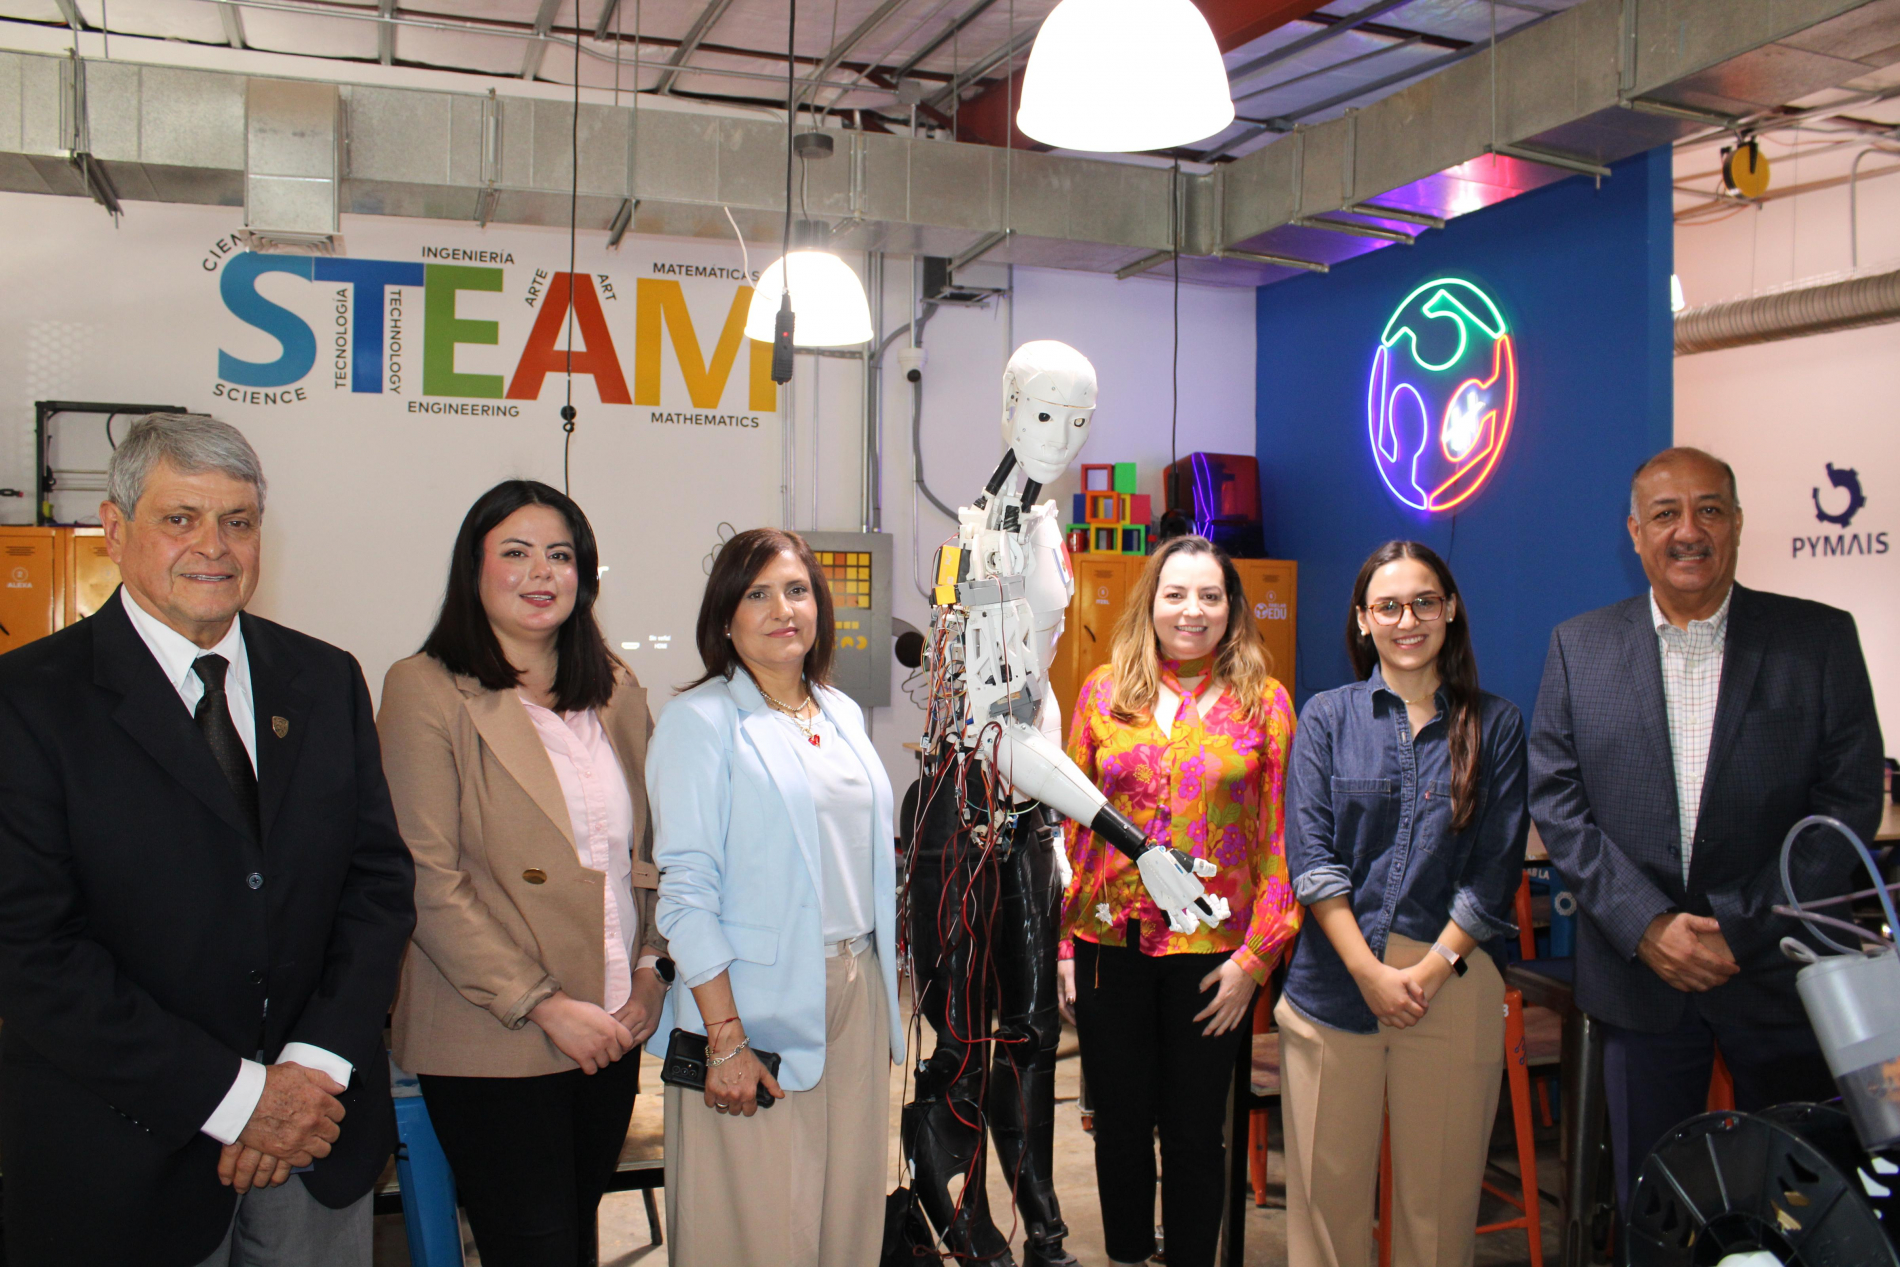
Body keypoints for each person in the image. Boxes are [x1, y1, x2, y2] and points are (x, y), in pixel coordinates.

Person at [0, 414, 416, 1267]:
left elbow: (376, 885)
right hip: (126, 1159)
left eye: (238, 520)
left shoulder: (326, 678)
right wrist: (241, 1099)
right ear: (114, 529)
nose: (214, 546)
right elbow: (31, 949)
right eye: (180, 518)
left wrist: (307, 1071)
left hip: (317, 1137)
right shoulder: (28, 700)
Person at [1529, 446, 1884, 1209]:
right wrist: (1648, 925)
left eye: (1710, 510)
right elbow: (1557, 802)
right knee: (1658, 1208)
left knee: (1805, 1208)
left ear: (1738, 524)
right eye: (1666, 513)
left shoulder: (1818, 640)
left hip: (1782, 974)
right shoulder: (1578, 647)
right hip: (1640, 981)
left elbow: (1847, 802)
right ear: (1635, 533)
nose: (1688, 530)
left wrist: (1741, 928)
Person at [377, 480, 669, 1265]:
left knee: (575, 1238)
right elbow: (427, 877)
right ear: (474, 569)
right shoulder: (424, 687)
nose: (542, 571)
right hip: (494, 1031)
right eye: (516, 551)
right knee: (533, 1246)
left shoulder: (613, 689)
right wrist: (544, 1004)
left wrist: (653, 969)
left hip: (612, 1025)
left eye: (561, 555)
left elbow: (653, 848)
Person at [645, 527, 903, 1267]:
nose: (782, 609)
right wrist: (724, 1035)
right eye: (757, 594)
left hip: (856, 984)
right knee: (757, 1224)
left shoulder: (839, 713)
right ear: (725, 617)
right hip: (750, 1002)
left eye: (796, 591)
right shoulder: (699, 723)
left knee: (848, 1210)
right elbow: (685, 893)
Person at [1279, 540, 1528, 1267]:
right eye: (1388, 606)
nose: (1407, 620)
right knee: (1326, 1216)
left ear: (1449, 611)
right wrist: (1367, 971)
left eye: (1424, 602)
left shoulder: (1496, 724)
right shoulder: (1326, 717)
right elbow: (1312, 858)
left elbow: (1495, 870)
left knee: (1438, 1215)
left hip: (1450, 979)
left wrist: (1429, 968)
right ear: (1363, 619)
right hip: (1335, 982)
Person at [1055, 535, 1302, 1267]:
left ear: (1232, 608)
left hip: (1214, 959)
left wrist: (1256, 960)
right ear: (1151, 603)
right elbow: (1071, 827)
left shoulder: (1265, 704)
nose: (1192, 610)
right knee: (1120, 1123)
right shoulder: (1103, 692)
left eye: (1209, 595)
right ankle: (1129, 1254)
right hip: (1109, 946)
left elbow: (1281, 842)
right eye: (1176, 594)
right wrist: (1064, 945)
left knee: (1196, 1131)